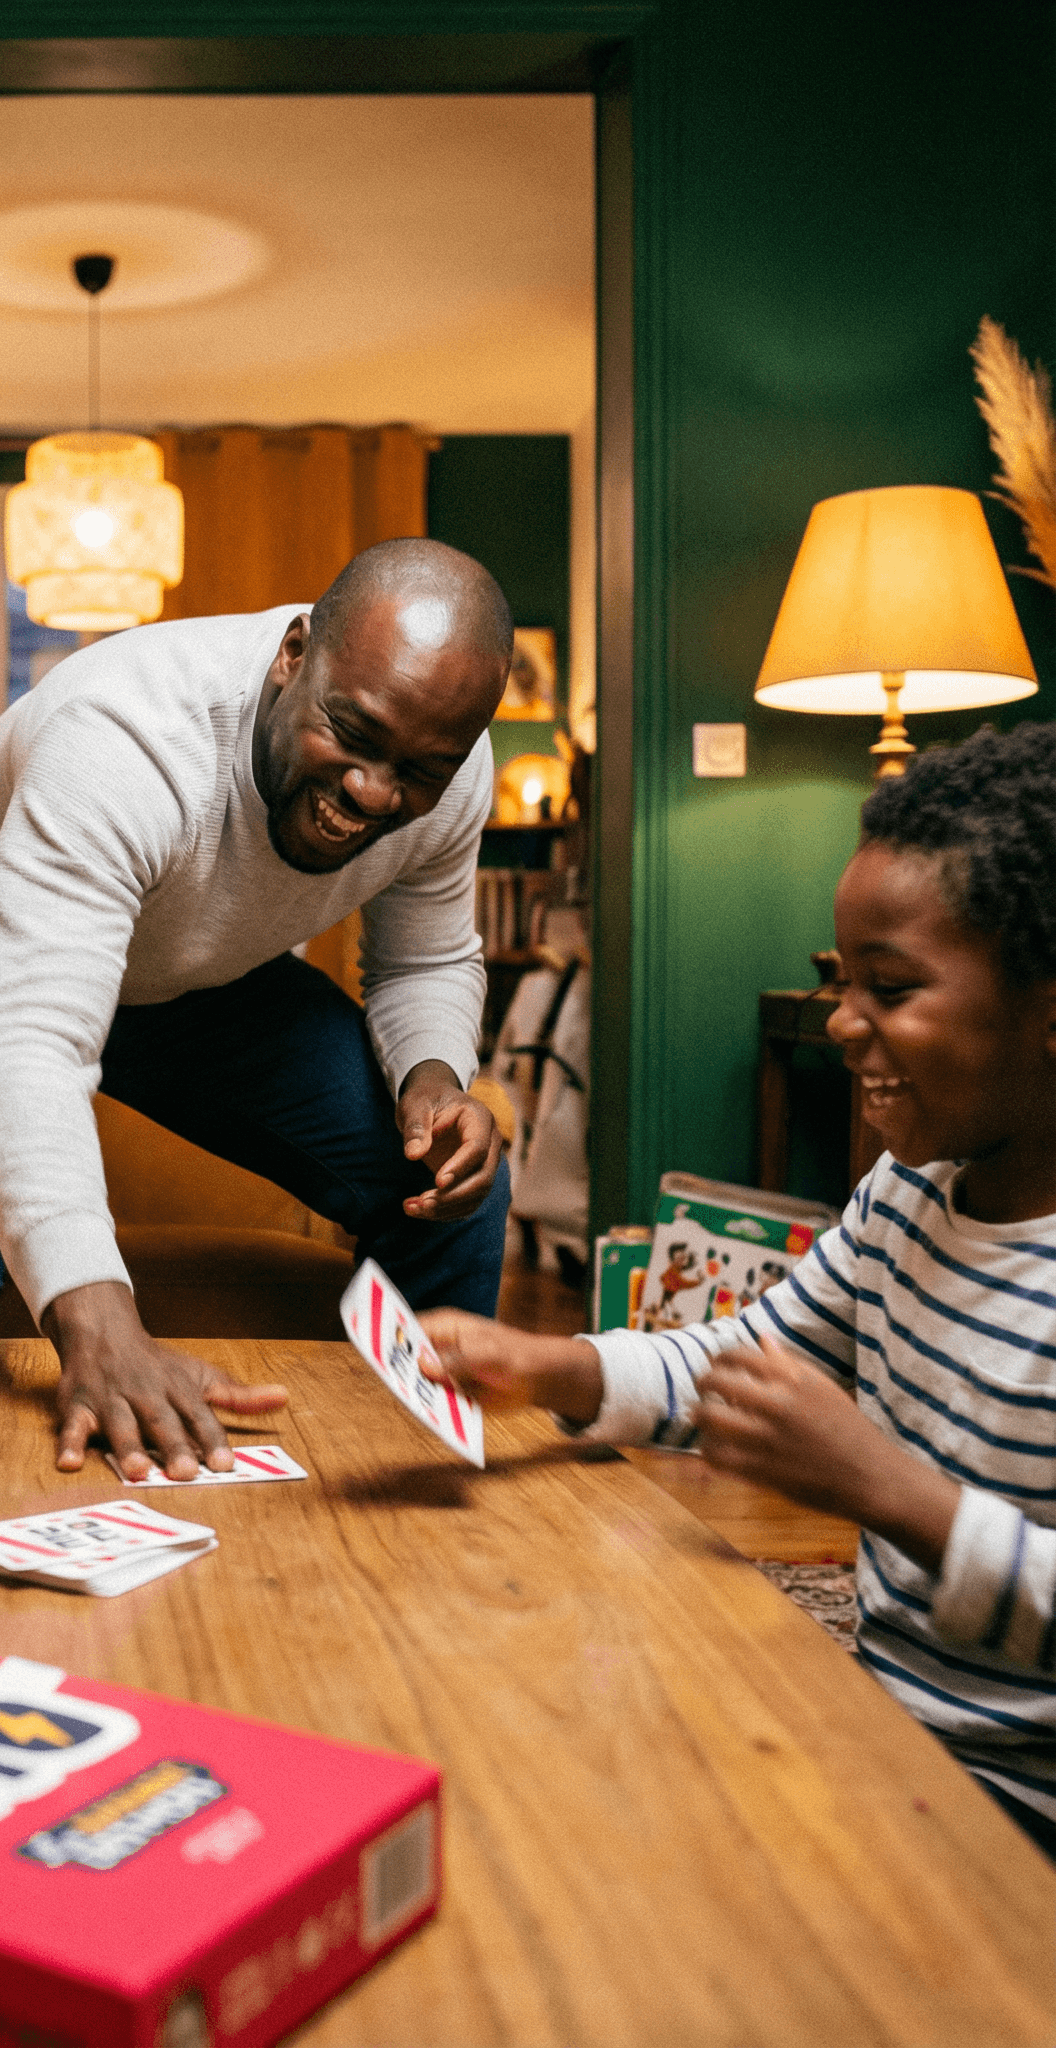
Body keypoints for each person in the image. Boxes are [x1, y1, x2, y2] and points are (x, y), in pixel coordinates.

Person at [420, 721, 1056, 1861]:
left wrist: (893, 1491)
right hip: (881, 1729)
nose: (842, 1019)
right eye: (841, 980)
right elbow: (744, 1354)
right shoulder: (903, 1197)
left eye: (890, 985)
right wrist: (548, 1363)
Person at [0, 538, 515, 1483]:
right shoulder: (126, 735)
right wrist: (97, 1313)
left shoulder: (451, 767)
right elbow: (29, 1039)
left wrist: (434, 1080)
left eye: (416, 770)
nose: (373, 791)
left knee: (451, 1188)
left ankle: (406, 1475)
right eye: (352, 736)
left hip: (182, 969)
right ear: (293, 655)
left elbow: (427, 957)